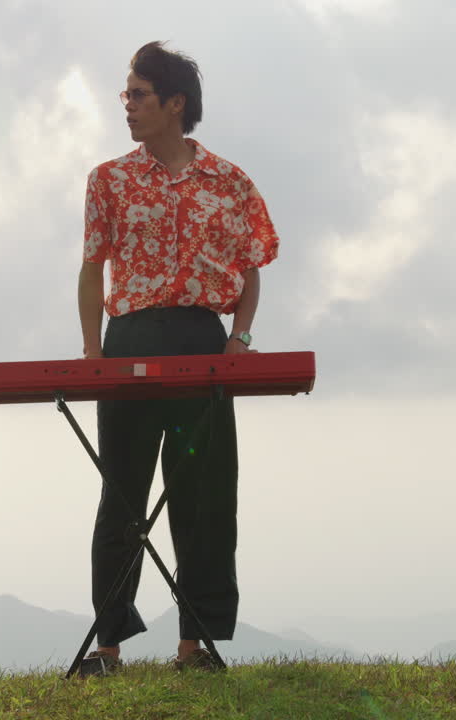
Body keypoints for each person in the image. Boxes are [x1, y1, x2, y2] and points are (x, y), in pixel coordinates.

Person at [77, 41, 279, 673]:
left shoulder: (231, 182)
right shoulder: (107, 180)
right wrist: (92, 353)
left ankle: (194, 645)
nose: (127, 107)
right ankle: (108, 646)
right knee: (122, 495)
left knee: (203, 494)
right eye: (126, 95)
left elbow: (250, 268)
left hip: (202, 342)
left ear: (174, 104)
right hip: (130, 339)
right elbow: (92, 268)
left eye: (138, 95)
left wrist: (238, 338)